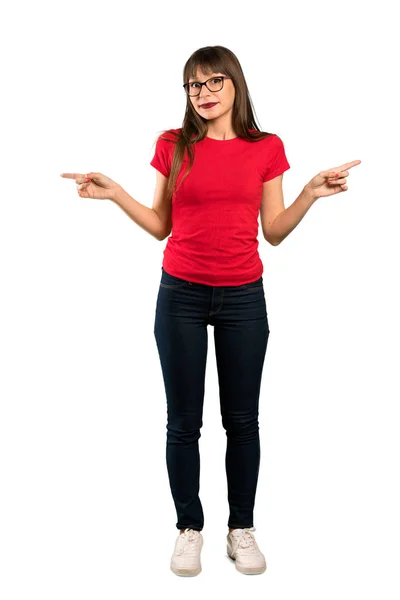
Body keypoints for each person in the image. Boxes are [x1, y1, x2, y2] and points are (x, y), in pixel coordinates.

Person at [61, 45, 361, 577]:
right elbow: (160, 225)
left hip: (244, 296)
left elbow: (274, 232)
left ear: (235, 85)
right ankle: (188, 529)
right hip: (180, 293)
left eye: (213, 82)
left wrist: (311, 192)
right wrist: (115, 195)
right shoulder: (172, 145)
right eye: (193, 86)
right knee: (183, 422)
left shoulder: (266, 147)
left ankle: (240, 528)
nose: (203, 94)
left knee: (243, 420)